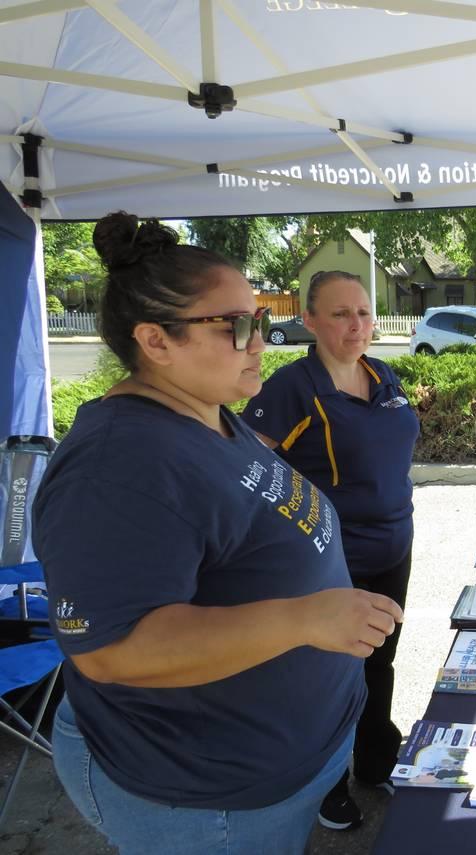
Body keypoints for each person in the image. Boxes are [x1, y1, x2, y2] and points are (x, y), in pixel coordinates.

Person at [32, 213, 403, 855]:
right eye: (235, 326)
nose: (260, 340)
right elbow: (113, 650)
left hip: (275, 762)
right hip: (204, 795)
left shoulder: (210, 417)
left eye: (258, 320)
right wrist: (302, 620)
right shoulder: (117, 465)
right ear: (156, 340)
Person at [241, 269, 419, 830]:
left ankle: (376, 761)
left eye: (364, 313)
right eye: (341, 314)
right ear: (311, 320)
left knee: (379, 662)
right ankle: (324, 786)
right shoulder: (291, 387)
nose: (357, 325)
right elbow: (247, 471)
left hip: (394, 547)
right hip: (334, 562)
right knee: (327, 677)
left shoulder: (382, 374)